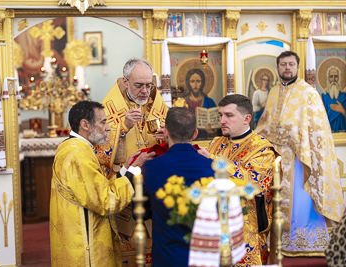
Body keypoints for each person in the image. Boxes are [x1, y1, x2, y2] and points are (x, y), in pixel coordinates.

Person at [255, 51, 345, 257]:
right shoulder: (274, 92)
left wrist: (295, 139)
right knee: (278, 198)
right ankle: (279, 240)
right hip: (276, 156)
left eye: (291, 64)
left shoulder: (308, 93)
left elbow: (317, 129)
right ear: (278, 68)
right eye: (283, 64)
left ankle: (305, 242)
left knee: (300, 199)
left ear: (297, 67)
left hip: (300, 157)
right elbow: (266, 122)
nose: (287, 68)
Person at [49, 100, 149, 266]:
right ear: (85, 124)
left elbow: (97, 187)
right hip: (85, 247)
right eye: (103, 122)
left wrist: (125, 169)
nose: (108, 127)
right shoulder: (78, 156)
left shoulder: (75, 147)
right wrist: (133, 172)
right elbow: (105, 201)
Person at [94, 58, 167, 265]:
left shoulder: (157, 104)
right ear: (126, 82)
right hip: (125, 186)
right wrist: (123, 127)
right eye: (139, 85)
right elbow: (99, 154)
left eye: (149, 85)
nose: (145, 91)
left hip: (154, 185)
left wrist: (168, 135)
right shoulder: (106, 110)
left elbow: (174, 137)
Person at [198, 94, 278, 266]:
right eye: (220, 115)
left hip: (246, 230)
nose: (223, 120)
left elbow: (254, 183)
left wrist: (213, 161)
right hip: (214, 227)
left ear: (246, 118)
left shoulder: (262, 149)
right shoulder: (216, 143)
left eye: (229, 115)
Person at [141, 107, 215, 267]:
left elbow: (141, 212)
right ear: (195, 133)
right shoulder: (213, 167)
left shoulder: (150, 168)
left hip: (167, 258)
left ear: (165, 132)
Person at [321, 65, 346, 132]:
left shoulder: (344, 96)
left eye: (336, 76)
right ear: (328, 79)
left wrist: (342, 111)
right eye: (331, 76)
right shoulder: (323, 97)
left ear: (339, 78)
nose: (334, 79)